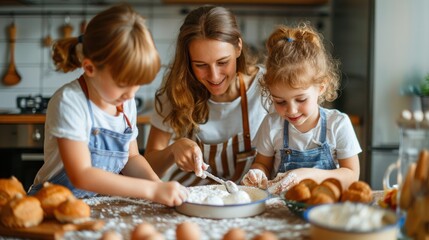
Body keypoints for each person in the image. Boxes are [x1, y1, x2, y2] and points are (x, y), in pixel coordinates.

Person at [27, 4, 188, 207]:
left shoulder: (124, 101)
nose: (131, 94)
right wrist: (151, 190)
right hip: (54, 206)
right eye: (123, 84)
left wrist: (158, 186)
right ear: (90, 68)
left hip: (100, 206)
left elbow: (131, 158)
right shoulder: (70, 102)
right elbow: (81, 174)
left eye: (137, 84)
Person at [144, 5, 269, 186]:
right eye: (200, 65)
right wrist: (173, 150)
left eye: (222, 62)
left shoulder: (266, 87)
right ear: (188, 60)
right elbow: (149, 170)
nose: (214, 76)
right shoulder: (177, 89)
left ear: (238, 47)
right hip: (188, 202)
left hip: (248, 201)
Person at [242, 23, 361, 195]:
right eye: (280, 101)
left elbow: (351, 174)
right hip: (281, 208)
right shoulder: (271, 125)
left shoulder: (338, 124)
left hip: (324, 206)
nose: (291, 110)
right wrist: (258, 173)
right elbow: (263, 165)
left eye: (300, 99)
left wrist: (306, 175)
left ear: (321, 87)